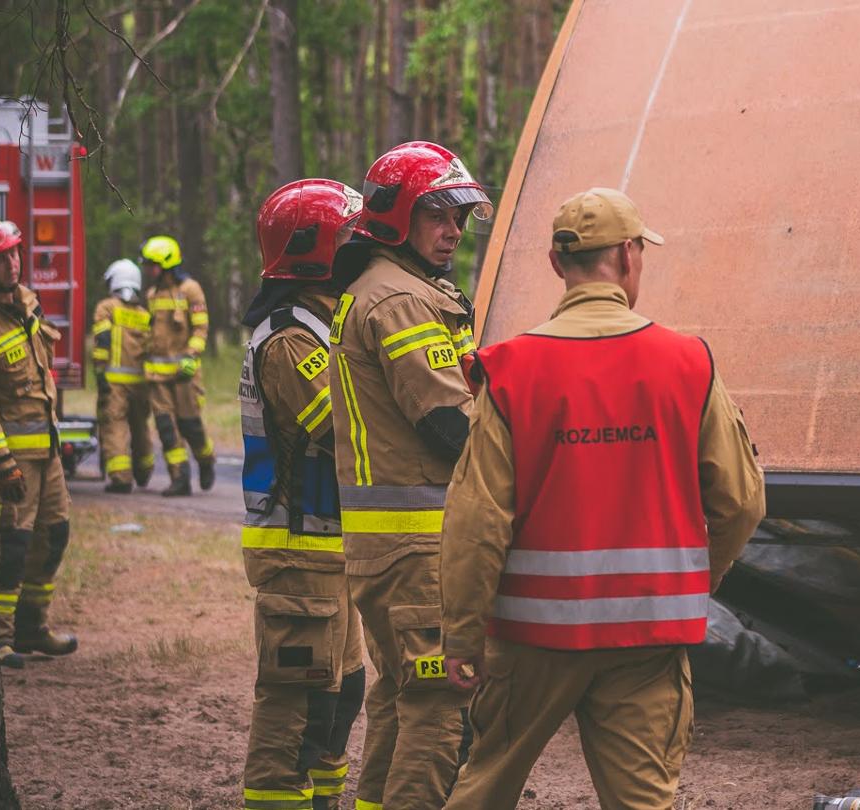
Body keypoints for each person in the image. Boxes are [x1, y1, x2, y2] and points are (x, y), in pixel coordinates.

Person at [437, 188, 766, 810]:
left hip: (531, 635)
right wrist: (697, 576)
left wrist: (461, 634)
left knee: (484, 788)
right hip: (647, 634)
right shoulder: (688, 361)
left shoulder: (511, 368)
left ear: (559, 265)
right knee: (644, 799)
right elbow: (742, 502)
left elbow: (477, 520)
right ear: (628, 255)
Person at [329, 141, 489, 809]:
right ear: (397, 218)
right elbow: (449, 425)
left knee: (401, 701)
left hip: (388, 548)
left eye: (460, 218)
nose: (453, 231)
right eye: (438, 215)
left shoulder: (389, 288)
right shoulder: (399, 301)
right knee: (438, 709)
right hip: (418, 546)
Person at [239, 180, 370, 810]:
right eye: (349, 236)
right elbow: (342, 429)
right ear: (315, 250)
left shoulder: (321, 324)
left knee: (342, 693)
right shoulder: (291, 340)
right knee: (298, 705)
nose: (361, 246)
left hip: (330, 548)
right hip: (297, 551)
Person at [0, 218, 80, 668]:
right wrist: (1, 459)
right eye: (1, 257)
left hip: (48, 452)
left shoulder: (30, 307)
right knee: (12, 548)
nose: (12, 263)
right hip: (14, 461)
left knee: (54, 535)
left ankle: (32, 627)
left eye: (15, 253)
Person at [141, 234, 216, 496]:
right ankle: (180, 477)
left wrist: (191, 354)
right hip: (157, 377)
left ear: (167, 264)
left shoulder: (190, 290)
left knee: (190, 427)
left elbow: (201, 327)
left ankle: (206, 460)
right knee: (166, 429)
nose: (149, 270)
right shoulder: (152, 294)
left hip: (184, 374)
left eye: (153, 264)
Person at [91, 258, 155, 492]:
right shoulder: (143, 313)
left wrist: (99, 371)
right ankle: (144, 470)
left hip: (115, 382)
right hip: (141, 383)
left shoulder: (106, 307)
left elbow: (103, 341)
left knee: (114, 425)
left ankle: (121, 477)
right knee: (140, 426)